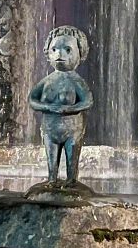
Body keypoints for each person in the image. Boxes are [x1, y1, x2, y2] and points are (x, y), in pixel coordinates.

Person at [28, 25, 93, 186]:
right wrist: (48, 108)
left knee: (72, 156)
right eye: (54, 50)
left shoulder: (76, 80)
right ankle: (52, 179)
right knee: (51, 156)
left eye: (67, 50)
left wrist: (70, 109)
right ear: (48, 53)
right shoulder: (48, 80)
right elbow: (32, 99)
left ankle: (71, 180)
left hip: (72, 130)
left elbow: (88, 101)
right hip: (49, 129)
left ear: (80, 54)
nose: (59, 55)